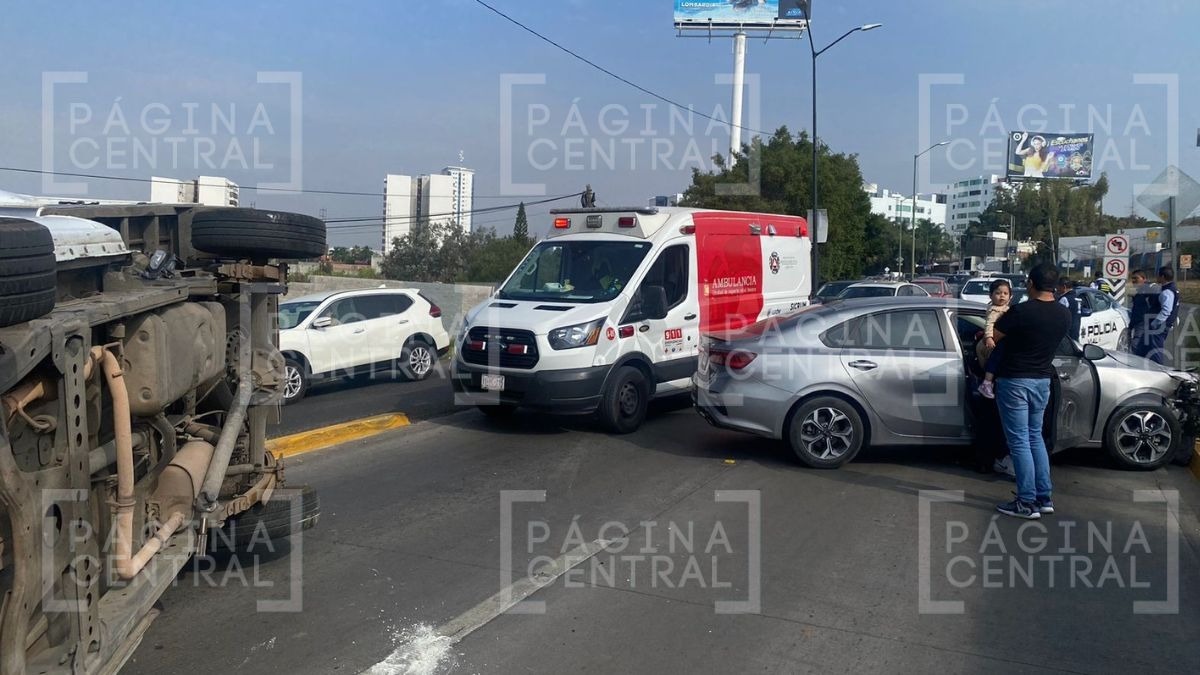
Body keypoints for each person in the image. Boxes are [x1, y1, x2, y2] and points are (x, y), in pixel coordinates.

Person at [992, 263, 1071, 519]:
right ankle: (1044, 497)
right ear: (1056, 286)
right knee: (1035, 437)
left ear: (1030, 284)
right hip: (1041, 381)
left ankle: (1025, 502)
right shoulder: (1064, 314)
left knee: (1019, 442)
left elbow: (993, 335)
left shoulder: (1021, 311)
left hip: (1015, 381)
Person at [975, 279, 1011, 400]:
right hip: (994, 343)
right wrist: (989, 337)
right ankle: (987, 382)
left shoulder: (1007, 309)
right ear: (990, 295)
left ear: (1010, 296)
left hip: (1000, 341)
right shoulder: (994, 310)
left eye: (1005, 293)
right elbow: (989, 325)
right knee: (995, 359)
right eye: (998, 293)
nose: (1002, 296)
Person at [1146, 266, 1179, 364]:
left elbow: (1166, 310)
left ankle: (1158, 370)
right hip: (1165, 325)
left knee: (1156, 350)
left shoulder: (1167, 292)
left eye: (1158, 275)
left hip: (1160, 326)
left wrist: (1155, 323)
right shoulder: (1173, 289)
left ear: (1163, 277)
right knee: (1152, 348)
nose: (1157, 277)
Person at [1129, 269, 1161, 359]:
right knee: (1139, 347)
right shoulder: (1140, 292)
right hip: (1138, 323)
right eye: (1132, 279)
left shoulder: (1150, 290)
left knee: (1137, 345)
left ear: (1144, 278)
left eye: (1136, 278)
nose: (1134, 281)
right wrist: (1131, 325)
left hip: (1145, 323)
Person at [1056, 278, 1082, 343]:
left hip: (1067, 335)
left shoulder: (1064, 299)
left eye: (1058, 287)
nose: (1057, 289)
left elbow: (1058, 317)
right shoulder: (1078, 298)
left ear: (1064, 287)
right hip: (1076, 333)